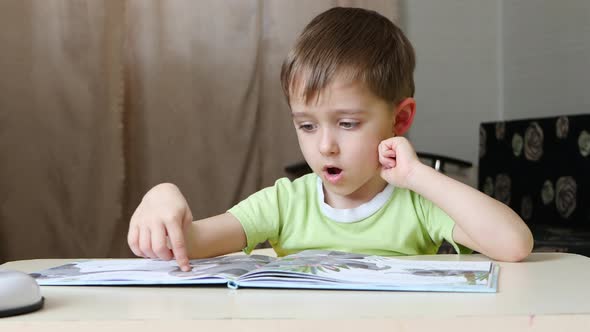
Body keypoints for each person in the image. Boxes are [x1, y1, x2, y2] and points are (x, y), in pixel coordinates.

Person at [127, 7, 534, 272]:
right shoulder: (285, 202)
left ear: (401, 118)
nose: (325, 147)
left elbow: (514, 245)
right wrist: (162, 198)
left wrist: (419, 177)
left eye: (348, 124)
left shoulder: (416, 204)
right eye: (306, 126)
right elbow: (192, 244)